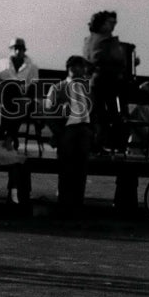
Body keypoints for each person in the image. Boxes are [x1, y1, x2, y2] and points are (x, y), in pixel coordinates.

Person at [43, 55, 93, 216]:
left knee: (81, 170)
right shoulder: (58, 88)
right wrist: (59, 132)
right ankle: (64, 205)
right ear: (68, 68)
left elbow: (95, 113)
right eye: (73, 66)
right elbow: (48, 112)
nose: (77, 69)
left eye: (80, 66)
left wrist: (93, 131)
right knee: (66, 170)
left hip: (84, 132)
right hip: (67, 132)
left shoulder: (88, 90)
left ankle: (77, 205)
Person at [82, 10, 132, 153]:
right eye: (110, 23)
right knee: (112, 115)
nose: (113, 26)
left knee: (97, 115)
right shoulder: (107, 41)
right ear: (102, 24)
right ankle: (112, 143)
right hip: (106, 82)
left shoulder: (88, 40)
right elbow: (118, 60)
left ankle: (97, 143)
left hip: (93, 82)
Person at [0, 38, 39, 150]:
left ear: (24, 50)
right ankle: (8, 137)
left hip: (22, 99)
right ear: (11, 50)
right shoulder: (2, 63)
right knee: (5, 104)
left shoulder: (32, 67)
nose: (17, 52)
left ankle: (8, 137)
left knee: (19, 105)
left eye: (20, 49)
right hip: (4, 98)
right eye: (15, 48)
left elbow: (33, 87)